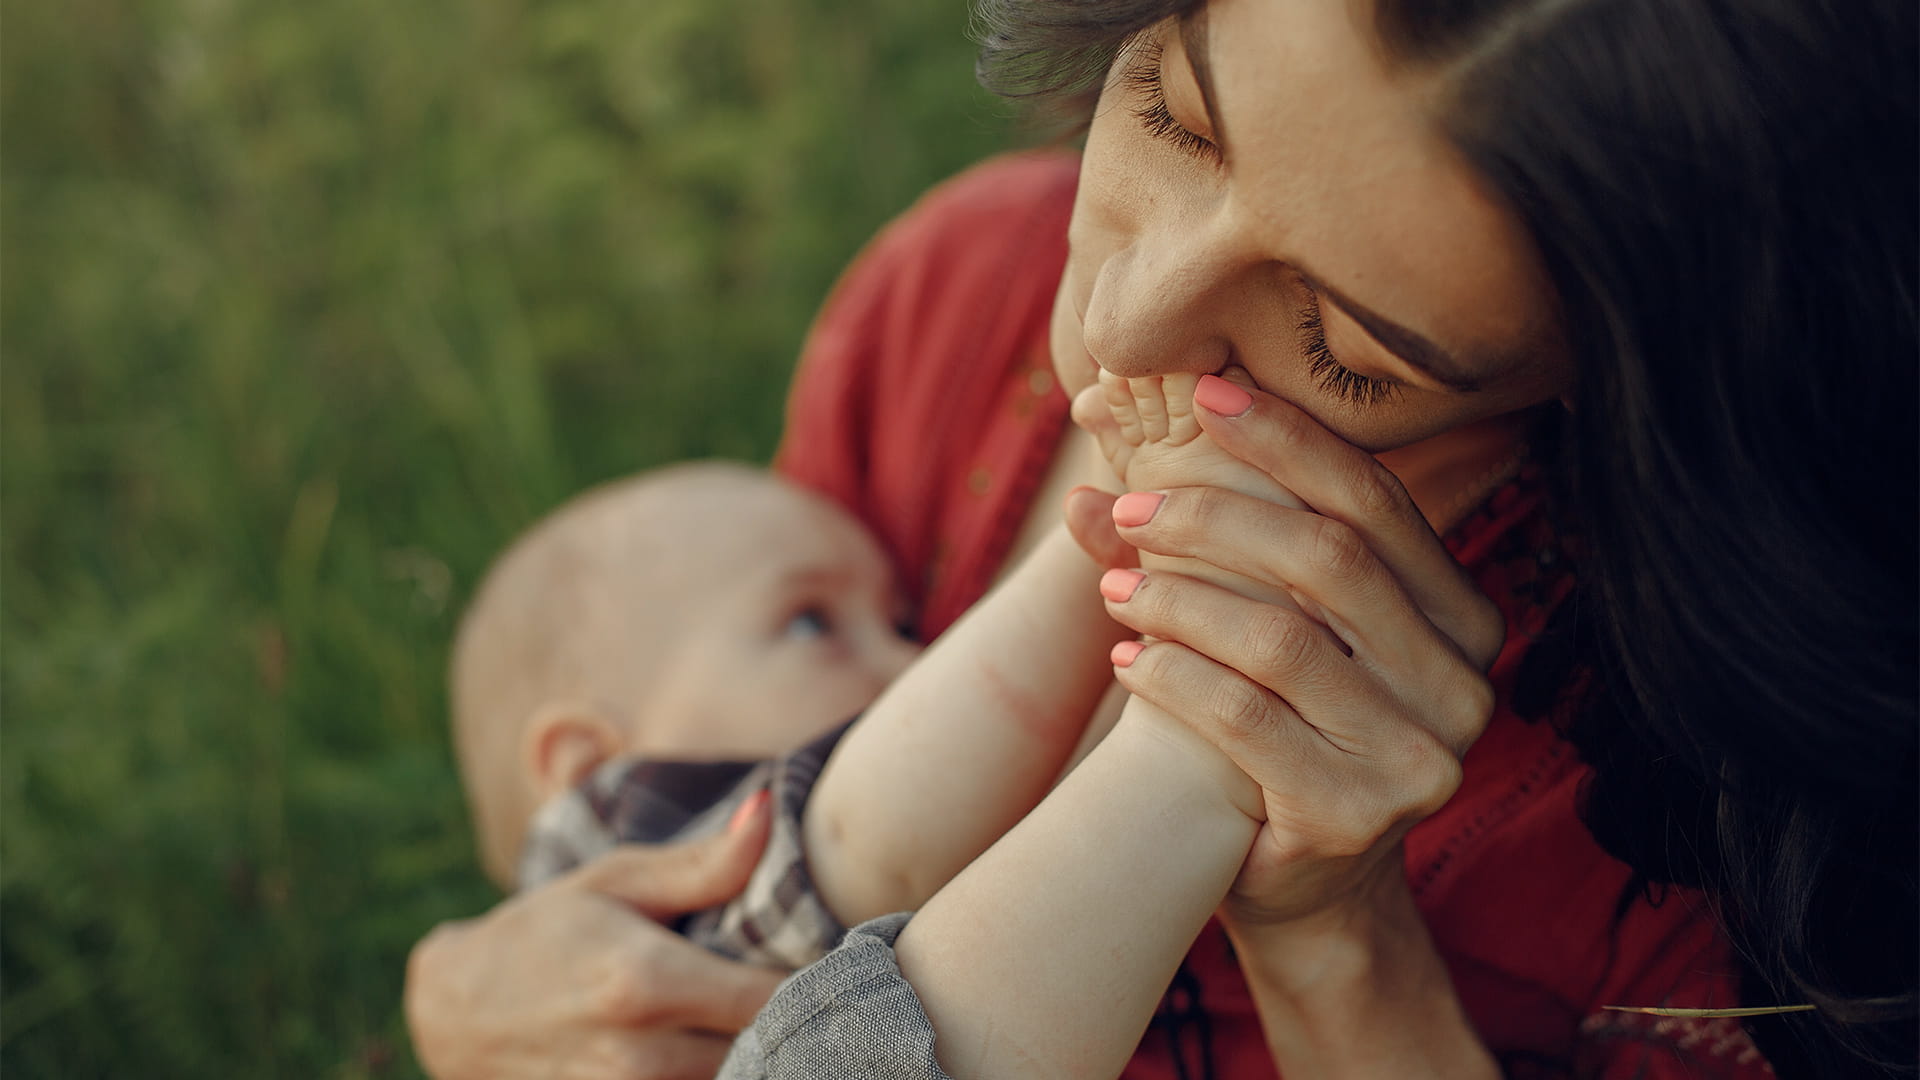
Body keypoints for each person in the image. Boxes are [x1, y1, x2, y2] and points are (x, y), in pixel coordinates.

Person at [406, 0, 1917, 1075]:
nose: (1119, 323)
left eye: (1343, 349)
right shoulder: (952, 291)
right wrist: (516, 979)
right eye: (1172, 114)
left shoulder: (1691, 817)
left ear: (1631, 384)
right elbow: (712, 790)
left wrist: (1337, 937)